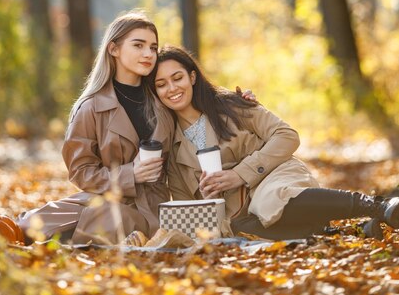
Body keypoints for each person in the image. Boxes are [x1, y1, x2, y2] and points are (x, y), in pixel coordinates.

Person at [150, 45, 399, 240]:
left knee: (271, 201)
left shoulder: (231, 105)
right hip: (239, 214)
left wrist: (240, 173)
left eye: (177, 78)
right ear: (155, 93)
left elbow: (287, 136)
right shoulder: (172, 148)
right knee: (242, 228)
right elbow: (189, 211)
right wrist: (207, 198)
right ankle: (353, 230)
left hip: (273, 176)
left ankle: (378, 206)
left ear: (192, 77)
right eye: (161, 84)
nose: (172, 88)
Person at [15, 11, 173, 245]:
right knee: (32, 224)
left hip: (156, 209)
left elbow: (202, 106)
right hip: (107, 200)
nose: (148, 54)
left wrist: (240, 101)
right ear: (113, 49)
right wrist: (131, 174)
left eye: (153, 47)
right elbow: (80, 171)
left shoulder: (164, 99)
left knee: (112, 219)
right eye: (138, 45)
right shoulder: (91, 108)